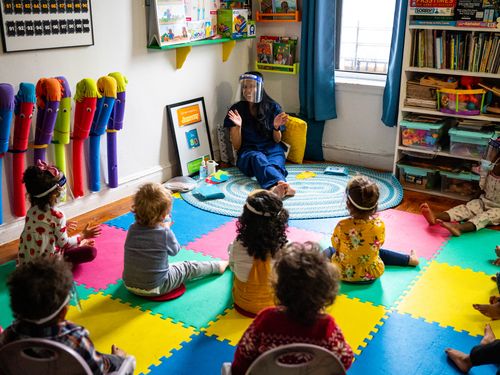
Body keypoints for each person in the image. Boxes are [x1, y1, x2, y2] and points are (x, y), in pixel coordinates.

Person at [231, 242, 354, 374]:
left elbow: (241, 360)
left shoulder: (266, 319)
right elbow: (345, 360)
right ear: (326, 293)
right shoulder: (326, 327)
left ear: (278, 288)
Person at [0, 257, 128, 373]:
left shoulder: (9, 336)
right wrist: (117, 360)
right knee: (121, 362)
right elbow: (97, 370)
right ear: (63, 312)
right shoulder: (76, 339)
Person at [122, 182, 228, 297]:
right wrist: (167, 228)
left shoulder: (132, 228)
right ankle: (218, 266)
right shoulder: (164, 233)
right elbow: (175, 251)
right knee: (188, 267)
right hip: (157, 287)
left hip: (129, 285)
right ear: (163, 216)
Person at [327, 175, 419, 283]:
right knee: (379, 252)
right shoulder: (379, 225)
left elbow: (335, 245)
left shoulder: (342, 225)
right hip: (371, 274)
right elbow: (379, 244)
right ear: (375, 206)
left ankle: (312, 266)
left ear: (348, 204)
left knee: (330, 250)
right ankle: (410, 260)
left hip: (343, 273)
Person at [224, 71, 295, 198]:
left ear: (260, 87)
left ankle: (275, 188)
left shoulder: (273, 107)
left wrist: (275, 127)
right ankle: (285, 186)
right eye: (245, 87)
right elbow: (236, 146)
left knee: (274, 164)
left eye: (252, 86)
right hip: (249, 153)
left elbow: (277, 140)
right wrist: (238, 127)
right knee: (258, 158)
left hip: (272, 149)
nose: (248, 90)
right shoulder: (236, 110)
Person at [18, 160, 100, 266]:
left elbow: (43, 229)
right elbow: (64, 244)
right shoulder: (57, 215)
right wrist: (83, 235)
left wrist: (63, 226)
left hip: (26, 264)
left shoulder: (31, 210)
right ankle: (80, 244)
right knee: (91, 252)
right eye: (63, 187)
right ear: (54, 194)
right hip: (49, 268)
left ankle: (79, 244)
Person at [228, 190, 288, 317]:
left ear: (246, 218)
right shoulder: (285, 247)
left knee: (234, 266)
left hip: (243, 304)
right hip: (275, 305)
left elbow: (233, 266)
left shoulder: (239, 245)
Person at [420, 157, 500, 237]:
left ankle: (459, 228)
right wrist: (474, 198)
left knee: (484, 217)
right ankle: (435, 216)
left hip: (498, 208)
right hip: (483, 200)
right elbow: (482, 184)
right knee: (465, 209)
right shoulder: (492, 163)